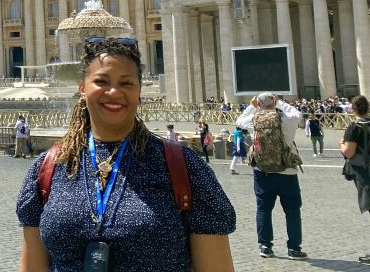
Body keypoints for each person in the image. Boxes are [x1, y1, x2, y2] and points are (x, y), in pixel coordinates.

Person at [16, 36, 235, 271]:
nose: (113, 91)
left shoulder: (184, 167)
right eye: (101, 81)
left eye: (126, 83)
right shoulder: (48, 167)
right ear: (82, 87)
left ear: (139, 90)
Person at [236, 91, 306, 260]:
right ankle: (294, 249)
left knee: (263, 210)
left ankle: (265, 246)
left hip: (262, 172)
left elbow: (238, 121)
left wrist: (252, 107)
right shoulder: (287, 121)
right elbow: (297, 114)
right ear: (274, 102)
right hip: (287, 171)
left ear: (259, 104)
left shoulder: (254, 121)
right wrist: (279, 102)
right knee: (292, 211)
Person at [341, 95, 370, 264]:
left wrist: (341, 144)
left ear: (352, 109)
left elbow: (349, 152)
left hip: (365, 173)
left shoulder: (354, 128)